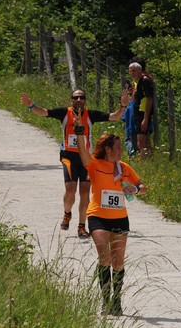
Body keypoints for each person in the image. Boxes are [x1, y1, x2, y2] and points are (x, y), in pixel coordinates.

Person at [20, 89, 129, 239]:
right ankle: (67, 213)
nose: (79, 100)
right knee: (71, 190)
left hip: (86, 159)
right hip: (69, 157)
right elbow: (44, 112)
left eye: (81, 97)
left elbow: (114, 116)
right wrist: (31, 106)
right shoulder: (65, 113)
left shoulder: (90, 115)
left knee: (85, 193)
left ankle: (82, 226)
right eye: (76, 97)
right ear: (71, 99)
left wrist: (122, 106)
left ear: (85, 100)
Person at [73, 113, 148, 315]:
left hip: (120, 219)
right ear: (108, 149)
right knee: (105, 258)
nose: (122, 150)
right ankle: (106, 302)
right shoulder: (95, 165)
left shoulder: (124, 168)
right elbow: (82, 150)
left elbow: (142, 186)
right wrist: (79, 130)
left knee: (118, 262)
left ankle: (117, 301)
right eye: (118, 147)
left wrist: (136, 190)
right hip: (98, 217)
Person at [128, 59, 155, 158]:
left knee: (141, 143)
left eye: (134, 71)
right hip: (138, 113)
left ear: (140, 70)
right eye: (130, 71)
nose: (132, 73)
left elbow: (149, 99)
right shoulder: (137, 82)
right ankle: (150, 161)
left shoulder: (144, 81)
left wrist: (145, 118)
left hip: (142, 113)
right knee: (145, 141)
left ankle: (145, 162)